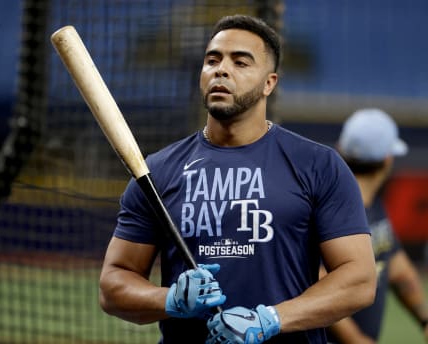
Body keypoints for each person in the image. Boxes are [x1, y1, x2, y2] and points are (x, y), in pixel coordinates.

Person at [99, 14, 377, 343]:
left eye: (241, 62)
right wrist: (170, 300)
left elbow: (359, 279)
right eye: (212, 60)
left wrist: (271, 319)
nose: (221, 69)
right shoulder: (158, 172)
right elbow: (114, 284)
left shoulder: (317, 165)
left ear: (269, 83)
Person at [322, 108, 428, 344]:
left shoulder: (373, 205)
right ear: (387, 159)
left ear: (341, 149)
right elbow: (318, 283)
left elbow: (397, 267)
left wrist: (425, 319)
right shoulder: (333, 209)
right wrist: (356, 340)